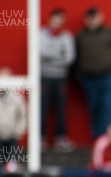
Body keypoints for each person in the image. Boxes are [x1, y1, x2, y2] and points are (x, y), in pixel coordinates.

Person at [75, 7, 111, 139]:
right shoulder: (81, 35)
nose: (92, 21)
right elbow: (76, 57)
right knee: (94, 107)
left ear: (100, 18)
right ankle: (97, 138)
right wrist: (79, 75)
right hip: (89, 78)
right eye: (89, 18)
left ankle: (106, 138)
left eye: (95, 17)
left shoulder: (110, 33)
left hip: (109, 76)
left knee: (107, 107)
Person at [40, 7, 75, 151]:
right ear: (49, 20)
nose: (57, 23)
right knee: (42, 108)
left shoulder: (67, 36)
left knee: (61, 109)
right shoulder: (40, 34)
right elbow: (40, 54)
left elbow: (69, 58)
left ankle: (60, 138)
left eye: (60, 21)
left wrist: (50, 58)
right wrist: (58, 56)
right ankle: (40, 139)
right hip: (44, 77)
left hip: (61, 77)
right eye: (55, 20)